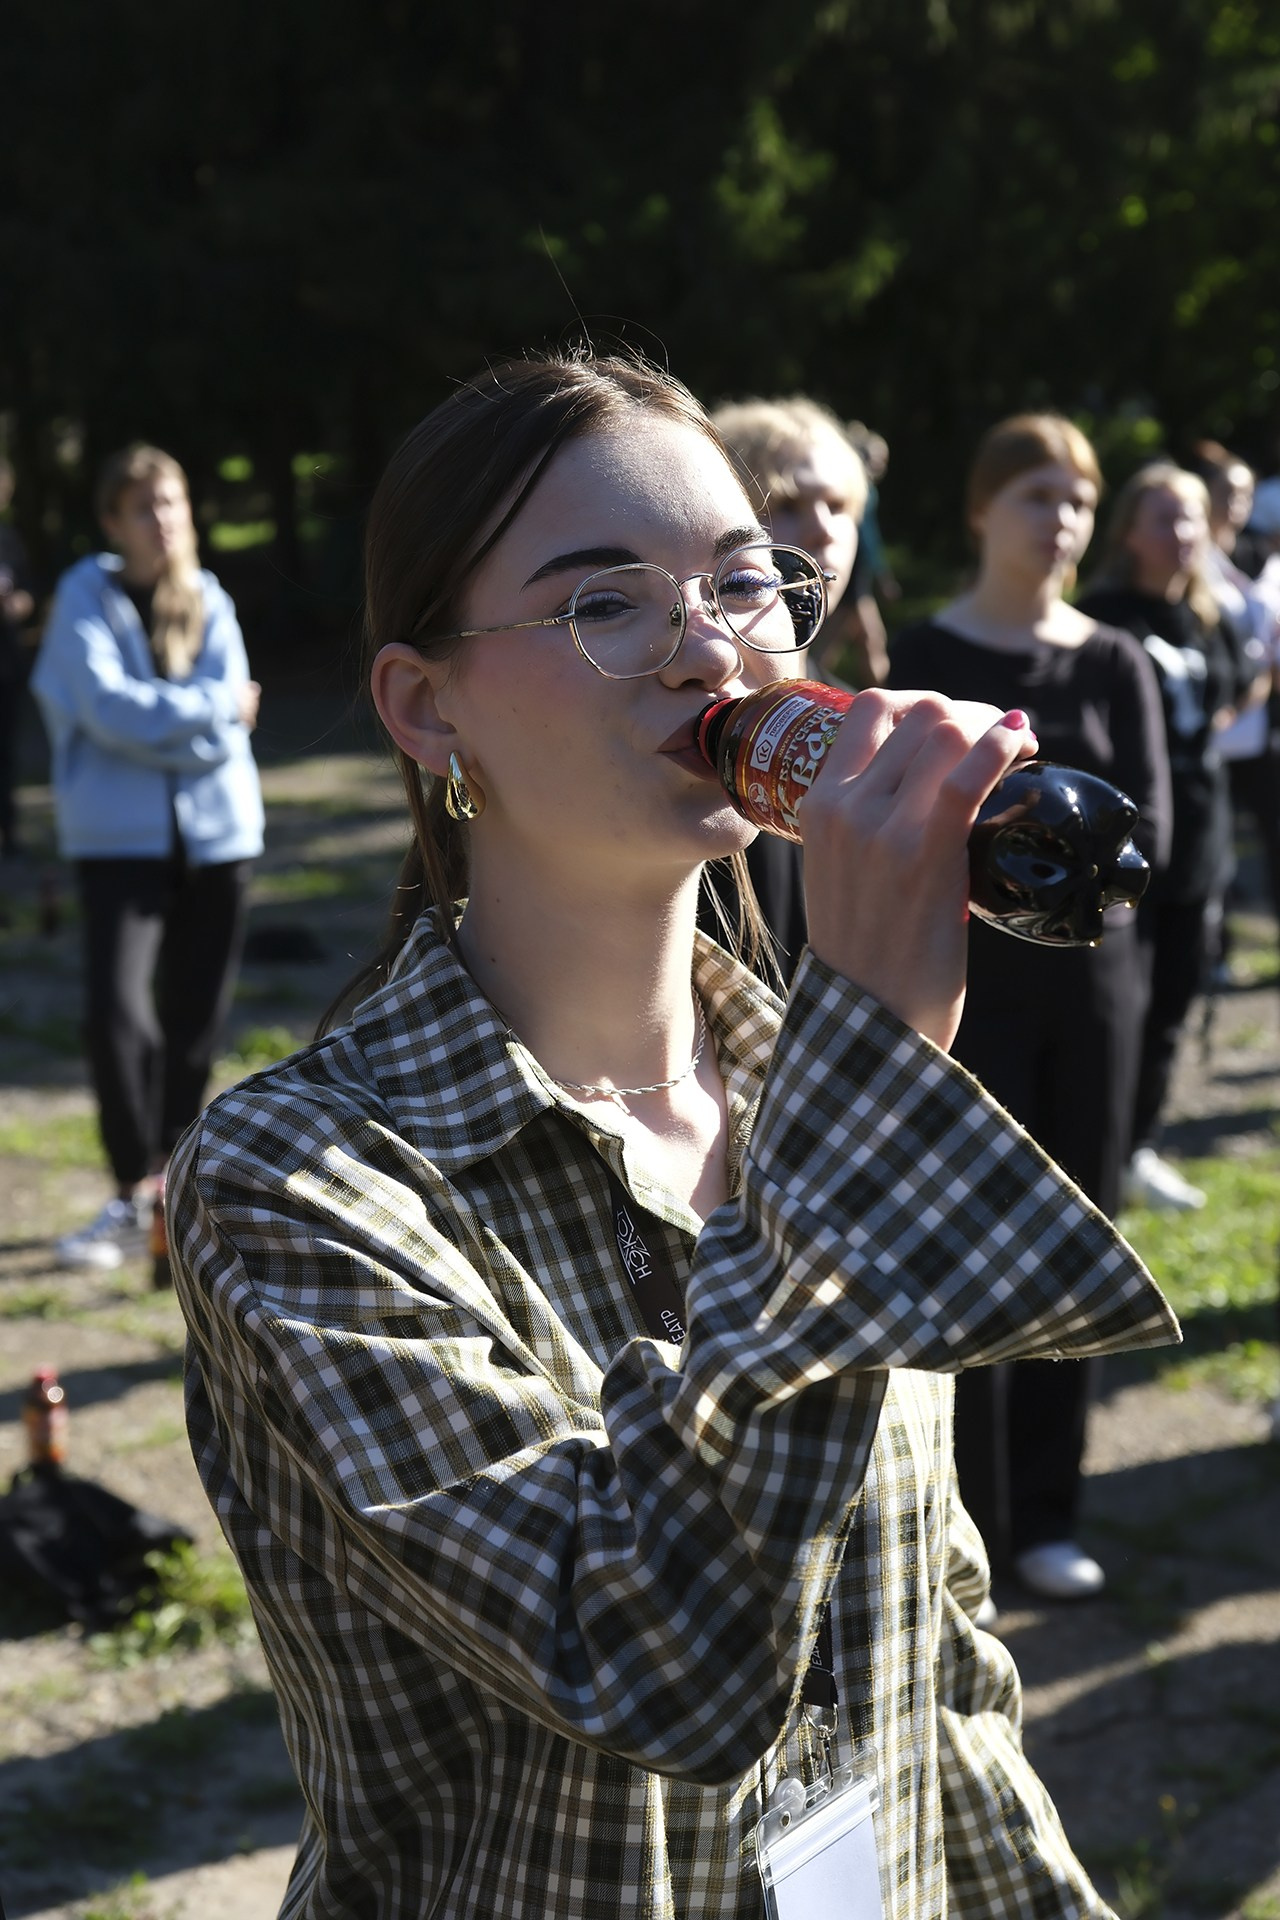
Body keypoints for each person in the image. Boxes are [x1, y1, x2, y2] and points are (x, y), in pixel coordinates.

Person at [168, 353, 1175, 1920]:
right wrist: (878, 1063)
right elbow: (661, 1667)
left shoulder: (803, 1099)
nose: (708, 644)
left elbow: (938, 1684)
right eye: (606, 603)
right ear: (428, 711)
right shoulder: (295, 1183)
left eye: (744, 580)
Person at [887, 415, 1171, 1603]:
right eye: (1032, 496)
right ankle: (967, 1525)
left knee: (1073, 1240)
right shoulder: (918, 653)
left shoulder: (1113, 661)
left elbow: (1150, 841)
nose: (1056, 519)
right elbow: (889, 832)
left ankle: (1048, 1512)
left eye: (1075, 498)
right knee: (960, 1260)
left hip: (1090, 1001)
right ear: (978, 511)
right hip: (962, 998)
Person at [31, 444, 264, 1273]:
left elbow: (141, 720)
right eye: (142, 507)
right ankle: (133, 1188)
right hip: (117, 844)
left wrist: (163, 724)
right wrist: (209, 715)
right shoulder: (80, 599)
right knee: (116, 1015)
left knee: (194, 1022)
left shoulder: (212, 599)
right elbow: (104, 708)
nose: (162, 520)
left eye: (171, 502)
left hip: (219, 841)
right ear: (111, 521)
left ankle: (175, 1188)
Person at [1078, 462, 1255, 1213]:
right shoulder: (1104, 617)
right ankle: (1098, 1151)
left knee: (1175, 1004)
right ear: (1128, 533)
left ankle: (1139, 1146)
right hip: (1127, 846)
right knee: (1122, 1007)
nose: (1182, 533)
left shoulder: (1209, 614)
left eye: (1190, 517)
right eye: (1163, 518)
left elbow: (1235, 692)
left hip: (1202, 843)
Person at [704, 394, 870, 982]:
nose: (824, 530)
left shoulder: (855, 705)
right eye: (790, 503)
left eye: (840, 506)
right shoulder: (688, 702)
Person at [0, 457, 37, 864]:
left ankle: (9, 832)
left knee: (7, 750)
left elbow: (29, 592)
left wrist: (17, 605)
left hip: (6, 660)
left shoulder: (9, 540)